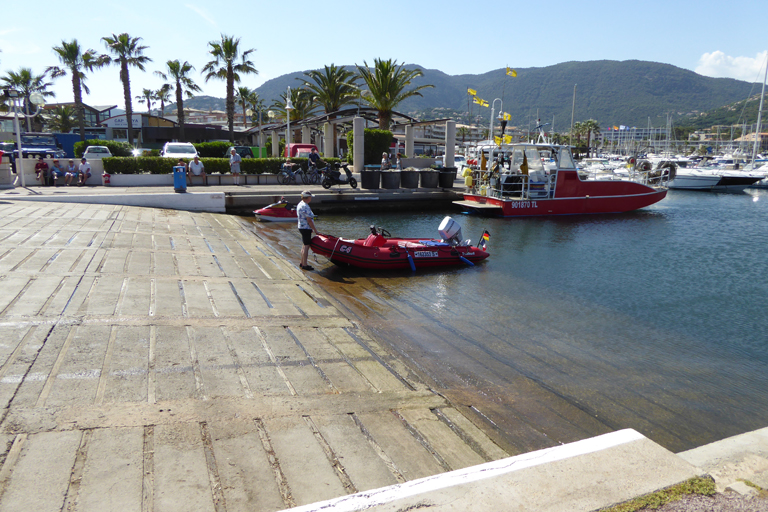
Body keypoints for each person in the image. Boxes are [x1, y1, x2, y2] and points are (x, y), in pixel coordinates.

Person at [297, 190, 318, 271]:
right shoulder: (305, 206)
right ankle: (305, 265)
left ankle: (302, 262)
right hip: (305, 228)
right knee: (306, 246)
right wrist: (315, 230)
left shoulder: (300, 204)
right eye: (310, 197)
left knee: (304, 244)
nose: (311, 198)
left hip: (301, 227)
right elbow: (309, 220)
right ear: (308, 198)